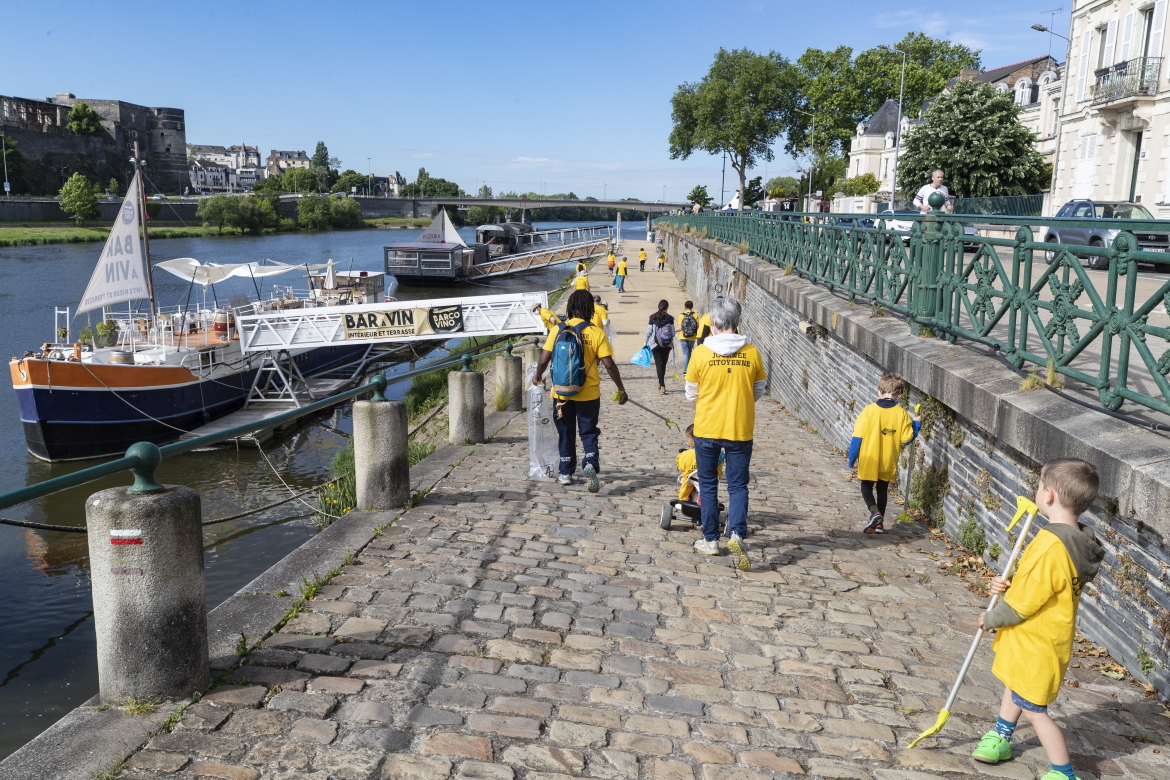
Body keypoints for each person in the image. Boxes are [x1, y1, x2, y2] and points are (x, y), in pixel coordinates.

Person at [971, 459, 1104, 780]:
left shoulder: (1050, 546)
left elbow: (1024, 604)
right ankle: (1001, 737)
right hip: (1044, 638)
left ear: (1048, 496)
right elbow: (1045, 588)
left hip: (1036, 642)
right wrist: (1011, 585)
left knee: (1035, 711)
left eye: (1039, 486)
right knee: (1015, 685)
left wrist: (993, 617)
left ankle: (1063, 771)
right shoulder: (1074, 543)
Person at [685, 297, 766, 570]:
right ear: (737, 321)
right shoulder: (752, 352)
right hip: (740, 427)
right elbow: (759, 391)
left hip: (707, 427)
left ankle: (711, 540)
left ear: (713, 323)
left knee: (708, 484)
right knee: (738, 485)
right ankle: (737, 534)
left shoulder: (701, 353)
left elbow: (690, 393)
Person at [531, 290, 629, 492]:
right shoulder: (596, 333)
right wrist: (621, 389)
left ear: (570, 308)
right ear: (589, 309)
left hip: (561, 394)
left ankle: (566, 472)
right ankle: (591, 462)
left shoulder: (558, 330)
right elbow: (609, 365)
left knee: (565, 431)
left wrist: (538, 377)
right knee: (588, 431)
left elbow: (543, 359)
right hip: (589, 393)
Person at [847, 373, 920, 535]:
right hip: (888, 461)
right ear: (899, 395)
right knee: (882, 489)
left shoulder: (868, 411)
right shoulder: (901, 414)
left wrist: (851, 459)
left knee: (866, 487)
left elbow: (857, 438)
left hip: (869, 459)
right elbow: (906, 439)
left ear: (879, 391)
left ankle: (875, 513)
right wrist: (916, 423)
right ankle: (879, 526)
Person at [644, 299, 675, 394]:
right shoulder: (670, 318)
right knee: (663, 364)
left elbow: (648, 332)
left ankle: (662, 385)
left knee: (659, 364)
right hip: (667, 345)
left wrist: (645, 342)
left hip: (655, 344)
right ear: (667, 307)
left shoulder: (653, 317)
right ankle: (661, 383)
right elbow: (673, 333)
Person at [677, 301, 700, 371]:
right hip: (692, 336)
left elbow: (680, 328)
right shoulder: (695, 315)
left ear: (685, 307)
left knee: (685, 353)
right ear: (692, 307)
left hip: (683, 336)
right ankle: (689, 369)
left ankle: (685, 370)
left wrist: (673, 331)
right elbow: (698, 325)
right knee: (689, 352)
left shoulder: (681, 315)